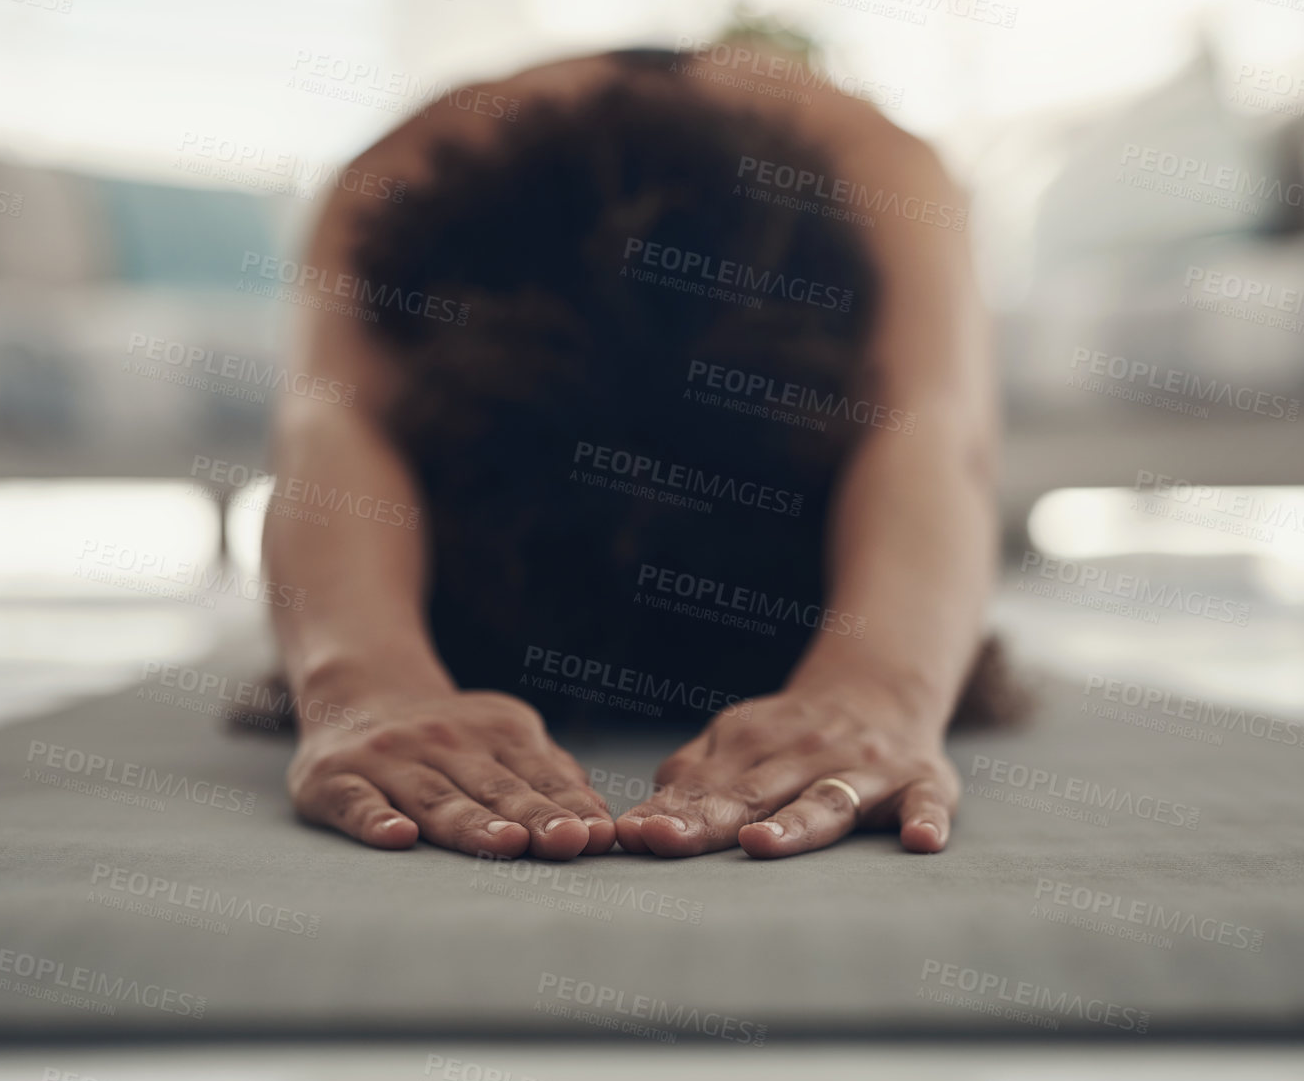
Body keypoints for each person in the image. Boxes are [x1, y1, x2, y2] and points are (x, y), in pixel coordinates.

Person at [263, 42, 1014, 863]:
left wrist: (879, 690)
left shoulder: (879, 169)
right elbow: (330, 428)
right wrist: (365, 686)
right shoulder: (412, 171)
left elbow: (930, 427)